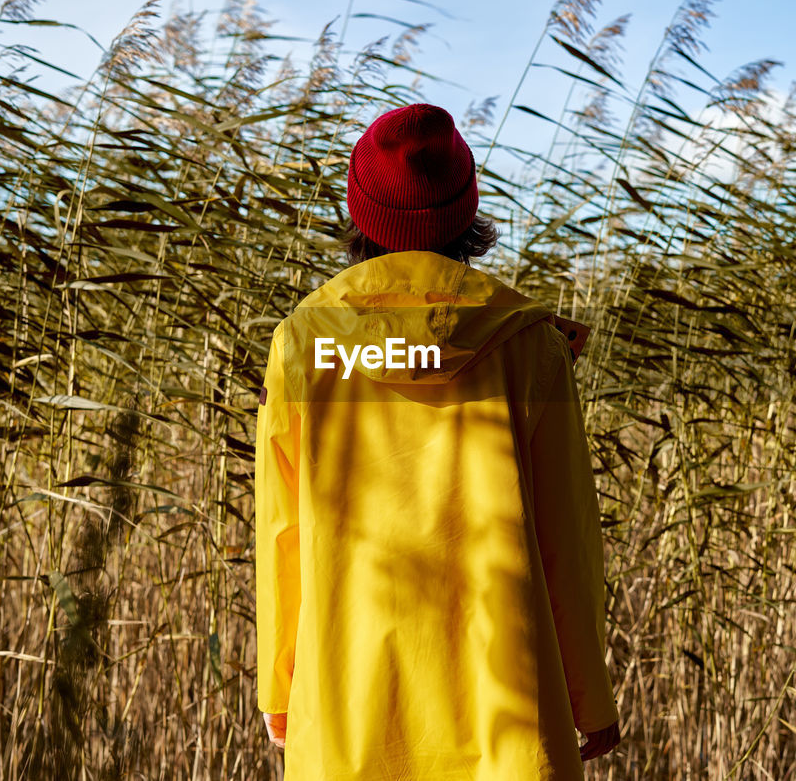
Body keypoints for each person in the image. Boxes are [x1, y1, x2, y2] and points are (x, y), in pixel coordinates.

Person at [255, 102, 622, 779]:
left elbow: (284, 534)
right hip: (505, 711)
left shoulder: (303, 346)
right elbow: (566, 538)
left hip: (348, 707)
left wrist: (280, 688)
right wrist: (587, 697)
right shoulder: (529, 348)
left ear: (360, 215)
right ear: (467, 214)